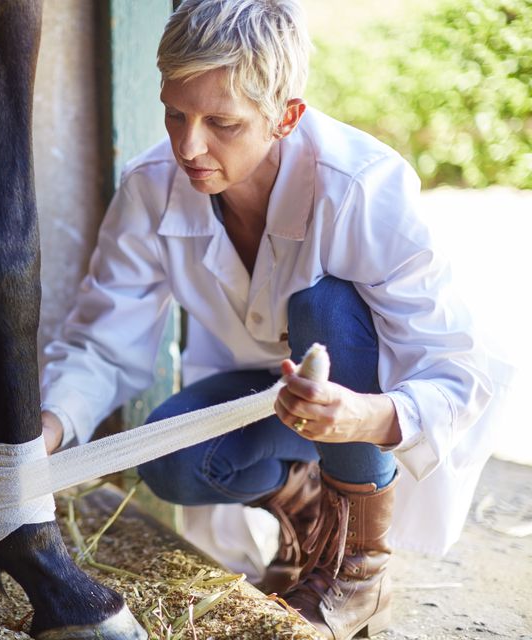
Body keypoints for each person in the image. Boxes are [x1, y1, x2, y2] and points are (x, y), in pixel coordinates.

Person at [37, 1, 494, 638]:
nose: (187, 146)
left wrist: (363, 415)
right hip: (268, 404)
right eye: (175, 113)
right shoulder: (149, 185)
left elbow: (464, 371)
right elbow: (101, 341)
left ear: (286, 117)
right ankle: (310, 513)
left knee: (324, 305)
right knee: (169, 459)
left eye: (222, 122)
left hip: (370, 408)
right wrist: (45, 429)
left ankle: (358, 567)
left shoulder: (363, 185)